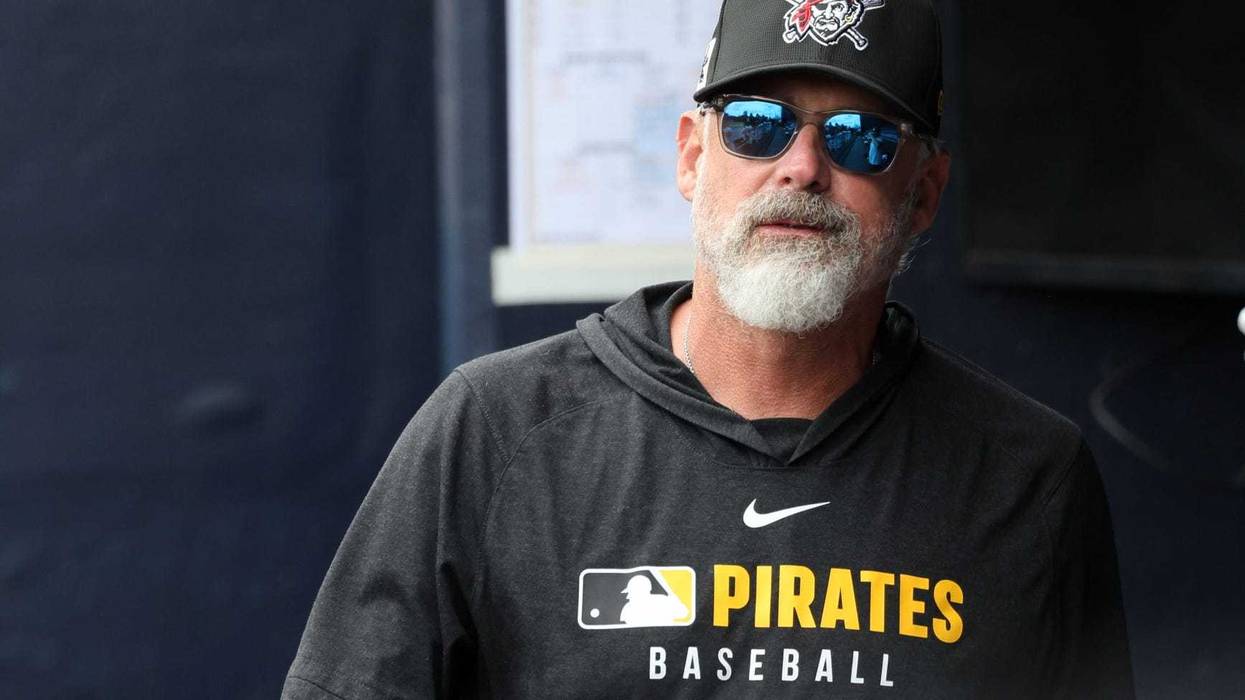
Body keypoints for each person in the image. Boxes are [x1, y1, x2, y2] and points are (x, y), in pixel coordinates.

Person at [282, 0, 1134, 697]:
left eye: (859, 139)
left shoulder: (1027, 476)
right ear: (692, 157)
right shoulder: (494, 433)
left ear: (922, 196)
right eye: (758, 126)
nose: (801, 167)